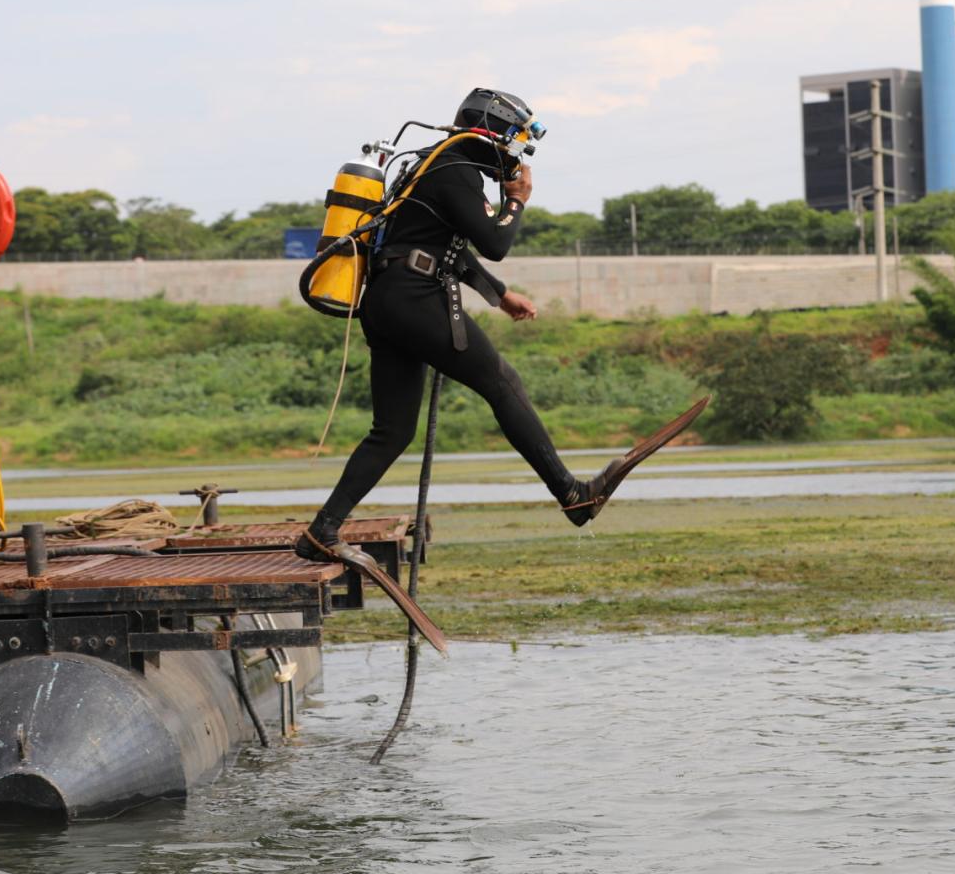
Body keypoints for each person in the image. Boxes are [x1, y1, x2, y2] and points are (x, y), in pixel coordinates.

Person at [296, 88, 705, 564]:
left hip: (386, 300)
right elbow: (493, 242)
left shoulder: (438, 164)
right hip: (415, 299)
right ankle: (574, 496)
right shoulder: (458, 171)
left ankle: (323, 531)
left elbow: (441, 245)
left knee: (392, 430)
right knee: (502, 382)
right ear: (490, 134)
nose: (515, 157)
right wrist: (517, 201)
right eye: (513, 143)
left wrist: (499, 294)